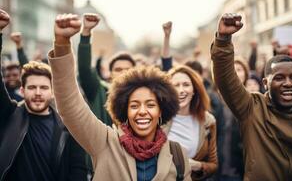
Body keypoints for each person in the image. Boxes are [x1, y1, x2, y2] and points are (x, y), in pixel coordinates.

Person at [48, 13, 191, 181]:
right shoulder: (104, 142)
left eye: (150, 105)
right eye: (134, 105)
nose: (142, 111)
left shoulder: (178, 155)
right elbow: (69, 105)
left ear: (161, 111)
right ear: (125, 111)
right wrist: (62, 44)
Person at [0, 9, 92, 181]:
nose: (37, 93)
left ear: (52, 92)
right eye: (32, 87)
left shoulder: (68, 128)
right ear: (22, 90)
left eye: (43, 88)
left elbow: (78, 169)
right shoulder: (9, 115)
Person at [211, 13, 292, 181]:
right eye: (279, 78)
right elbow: (225, 79)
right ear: (265, 83)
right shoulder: (253, 107)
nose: (288, 83)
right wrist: (223, 40)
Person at [78, 13, 135, 126]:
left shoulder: (143, 95)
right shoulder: (99, 90)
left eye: (127, 69)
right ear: (110, 73)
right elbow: (84, 68)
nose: (123, 73)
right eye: (118, 69)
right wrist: (86, 32)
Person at [164, 65, 218, 180]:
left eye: (186, 85)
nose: (181, 90)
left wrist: (198, 165)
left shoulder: (208, 121)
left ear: (194, 90)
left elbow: (213, 165)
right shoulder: (158, 118)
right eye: (175, 86)